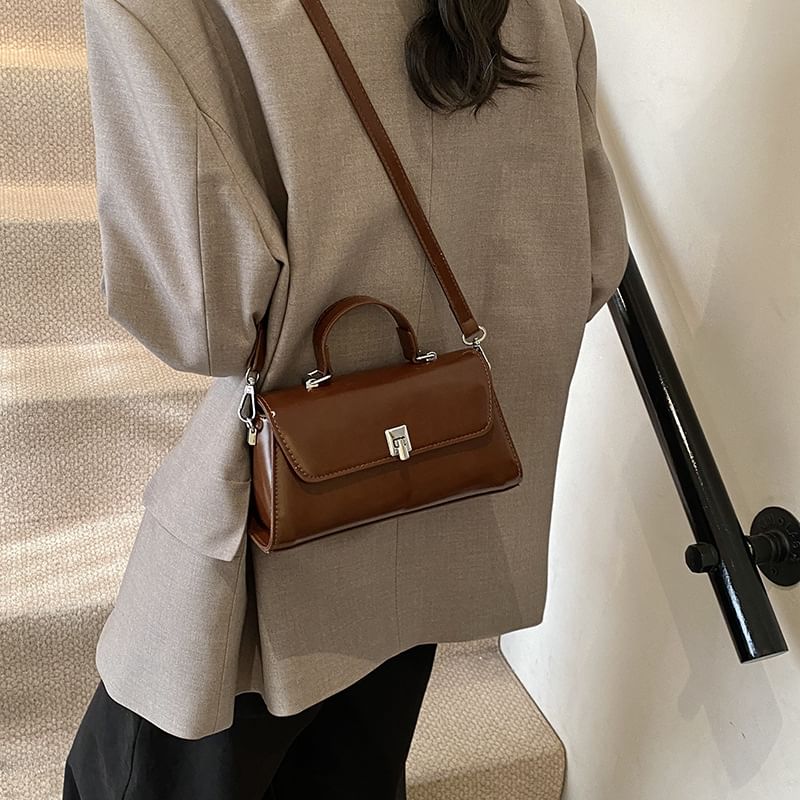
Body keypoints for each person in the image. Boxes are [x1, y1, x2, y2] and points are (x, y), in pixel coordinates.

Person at [65, 0, 628, 797]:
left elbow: (200, 321)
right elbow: (594, 264)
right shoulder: (542, 14)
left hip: (285, 533)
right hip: (446, 491)